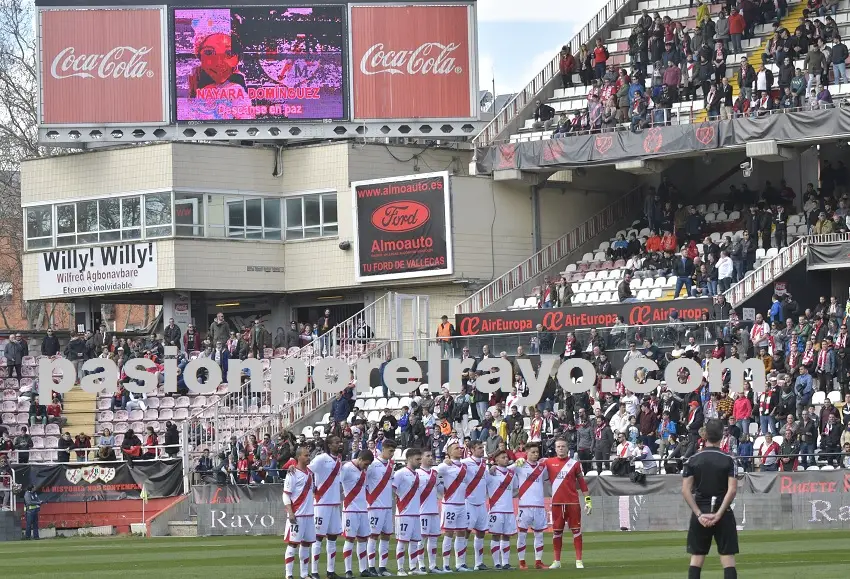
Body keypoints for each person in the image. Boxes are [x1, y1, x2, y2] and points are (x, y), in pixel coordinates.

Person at [681, 419, 739, 579]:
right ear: (722, 435)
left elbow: (685, 490)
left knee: (697, 558)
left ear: (705, 435)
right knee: (728, 558)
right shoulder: (729, 460)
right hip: (723, 512)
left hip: (701, 511)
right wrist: (719, 514)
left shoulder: (692, 459)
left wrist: (699, 514)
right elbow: (732, 490)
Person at [543, 438, 591, 569]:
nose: (560, 449)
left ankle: (579, 560)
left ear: (567, 448)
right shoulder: (548, 462)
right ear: (555, 448)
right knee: (557, 532)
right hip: (557, 503)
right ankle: (557, 561)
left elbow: (582, 484)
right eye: (558, 447)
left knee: (576, 531)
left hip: (572, 503)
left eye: (563, 446)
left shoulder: (574, 464)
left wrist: (588, 501)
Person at [308, 435, 344, 579]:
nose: (339, 444)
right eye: (336, 442)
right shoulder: (321, 458)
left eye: (339, 441)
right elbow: (308, 470)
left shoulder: (339, 459)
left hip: (335, 502)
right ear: (329, 445)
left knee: (333, 537)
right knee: (318, 538)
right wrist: (312, 487)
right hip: (322, 502)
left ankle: (330, 571)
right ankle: (315, 571)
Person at [511, 442, 548, 569]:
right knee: (522, 534)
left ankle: (538, 561)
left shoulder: (542, 467)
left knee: (539, 534)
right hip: (524, 506)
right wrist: (515, 462)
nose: (535, 454)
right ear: (526, 452)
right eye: (533, 452)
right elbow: (505, 469)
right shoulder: (520, 465)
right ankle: (522, 562)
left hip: (539, 506)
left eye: (537, 452)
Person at [435, 441, 470, 572]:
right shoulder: (445, 466)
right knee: (448, 533)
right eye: (456, 448)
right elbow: (433, 472)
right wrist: (444, 462)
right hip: (449, 504)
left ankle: (460, 564)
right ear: (449, 453)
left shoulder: (465, 466)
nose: (460, 450)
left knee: (461, 533)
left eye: (460, 448)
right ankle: (445, 564)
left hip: (462, 504)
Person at [283, 444, 316, 579]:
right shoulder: (292, 473)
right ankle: (289, 575)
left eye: (309, 455)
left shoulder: (310, 472)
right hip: (297, 514)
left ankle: (304, 574)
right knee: (293, 544)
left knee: (306, 544)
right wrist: (290, 512)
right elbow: (286, 494)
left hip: (309, 514)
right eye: (306, 455)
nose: (308, 457)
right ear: (299, 457)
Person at [341, 449, 374, 579]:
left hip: (363, 509)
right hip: (350, 509)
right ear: (360, 459)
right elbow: (337, 480)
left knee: (363, 539)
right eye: (365, 464)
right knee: (349, 539)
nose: (366, 467)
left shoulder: (363, 471)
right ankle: (348, 570)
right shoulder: (347, 468)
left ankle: (363, 569)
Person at [366, 439, 397, 576]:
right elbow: (364, 483)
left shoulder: (391, 465)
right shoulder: (372, 465)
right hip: (375, 507)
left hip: (387, 506)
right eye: (390, 451)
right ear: (383, 449)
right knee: (373, 536)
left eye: (393, 451)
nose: (392, 454)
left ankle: (382, 567)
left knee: (386, 536)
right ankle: (371, 566)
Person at [393, 448, 423, 576]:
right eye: (417, 459)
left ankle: (413, 567)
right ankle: (400, 568)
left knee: (415, 541)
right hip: (404, 513)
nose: (420, 462)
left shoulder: (416, 474)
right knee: (402, 541)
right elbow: (393, 489)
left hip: (416, 512)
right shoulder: (400, 473)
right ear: (409, 459)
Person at [485, 449, 516, 570]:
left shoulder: (512, 474)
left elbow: (515, 489)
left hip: (509, 509)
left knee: (507, 536)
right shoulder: (490, 473)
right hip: (496, 510)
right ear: (496, 460)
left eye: (506, 457)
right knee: (496, 536)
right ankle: (497, 563)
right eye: (503, 457)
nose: (506, 459)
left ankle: (506, 563)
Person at [415, 449, 443, 574]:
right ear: (421, 458)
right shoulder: (416, 473)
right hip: (422, 511)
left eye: (431, 456)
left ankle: (433, 565)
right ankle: (421, 564)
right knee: (421, 539)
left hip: (434, 510)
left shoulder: (435, 473)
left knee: (433, 539)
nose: (431, 458)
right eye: (428, 456)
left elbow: (440, 490)